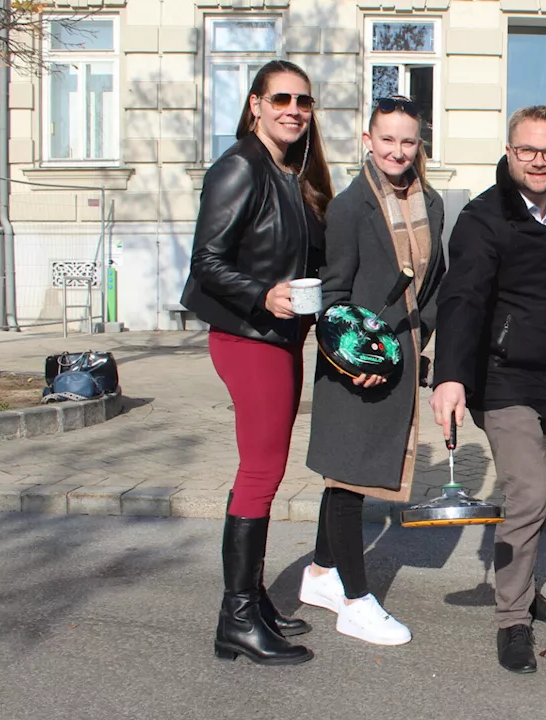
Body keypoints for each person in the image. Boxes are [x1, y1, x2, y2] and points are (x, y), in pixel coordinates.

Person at [429, 105, 546, 674]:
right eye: (527, 150)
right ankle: (512, 621)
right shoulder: (485, 218)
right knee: (525, 490)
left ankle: (522, 586)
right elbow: (462, 299)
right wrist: (449, 375)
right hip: (503, 379)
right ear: (509, 151)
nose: (539, 161)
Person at [180, 60, 333, 665]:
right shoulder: (241, 166)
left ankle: (251, 600)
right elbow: (206, 260)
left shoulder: (286, 171)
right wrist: (260, 294)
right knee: (260, 473)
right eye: (281, 99)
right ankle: (237, 616)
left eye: (302, 100)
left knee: (264, 470)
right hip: (250, 337)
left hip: (278, 338)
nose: (293, 109)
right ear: (255, 105)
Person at [299, 96, 446, 646]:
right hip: (352, 363)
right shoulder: (349, 206)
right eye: (387, 139)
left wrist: (418, 341)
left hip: (399, 358)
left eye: (408, 141)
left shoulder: (430, 202)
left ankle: (319, 574)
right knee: (348, 476)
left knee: (350, 471)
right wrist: (349, 357)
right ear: (368, 140)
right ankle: (356, 602)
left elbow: (433, 283)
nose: (398, 151)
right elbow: (333, 293)